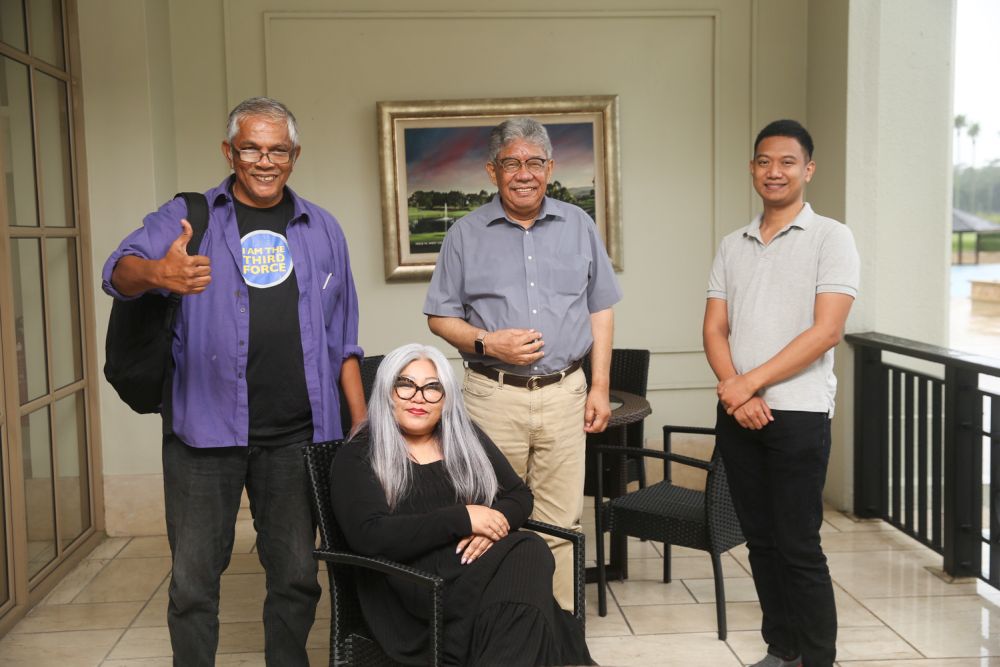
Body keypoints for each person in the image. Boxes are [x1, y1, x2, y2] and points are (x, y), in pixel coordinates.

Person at [102, 96, 365, 666]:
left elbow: (343, 338)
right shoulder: (188, 216)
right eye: (251, 149)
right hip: (204, 434)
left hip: (296, 437)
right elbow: (117, 271)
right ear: (229, 152)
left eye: (277, 150)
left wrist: (360, 423)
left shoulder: (323, 228)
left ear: (294, 155)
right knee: (194, 584)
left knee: (297, 577)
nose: (264, 161)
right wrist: (159, 272)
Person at [423, 117, 622, 610]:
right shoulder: (465, 234)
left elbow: (601, 309)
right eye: (511, 163)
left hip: (566, 394)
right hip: (493, 397)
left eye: (534, 162)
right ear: (493, 170)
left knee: (562, 522)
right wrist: (488, 342)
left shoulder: (579, 225)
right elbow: (439, 317)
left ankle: (559, 633)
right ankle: (501, 631)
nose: (524, 173)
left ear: (550, 168)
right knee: (490, 520)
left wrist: (600, 386)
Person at [702, 119, 859, 667]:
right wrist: (738, 395)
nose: (775, 171)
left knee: (798, 545)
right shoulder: (733, 244)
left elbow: (826, 331)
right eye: (765, 161)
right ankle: (782, 649)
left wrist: (749, 383)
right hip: (738, 413)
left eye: (788, 162)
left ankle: (817, 658)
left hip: (799, 413)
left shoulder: (831, 237)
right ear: (752, 169)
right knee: (761, 542)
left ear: (807, 170)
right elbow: (714, 329)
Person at [329, 344, 593, 666]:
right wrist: (463, 518)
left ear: (446, 398)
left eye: (432, 388)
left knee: (523, 566)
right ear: (387, 392)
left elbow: (519, 495)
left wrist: (489, 525)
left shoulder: (463, 438)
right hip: (415, 588)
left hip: (472, 571)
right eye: (405, 385)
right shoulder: (359, 454)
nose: (418, 398)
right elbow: (370, 536)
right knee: (529, 552)